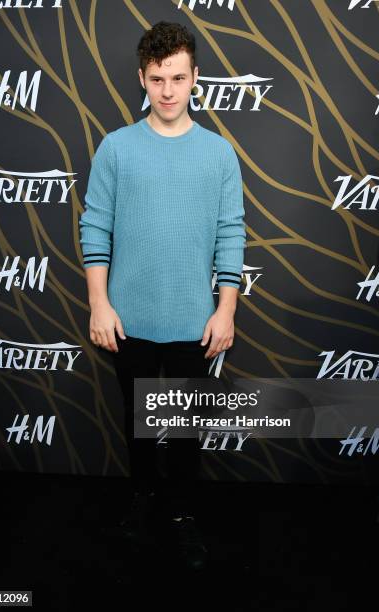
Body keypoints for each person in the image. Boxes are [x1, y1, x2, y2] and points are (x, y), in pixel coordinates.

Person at [79, 21, 246, 570]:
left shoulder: (219, 155)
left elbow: (230, 233)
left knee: (185, 432)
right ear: (142, 80)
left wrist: (225, 310)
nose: (168, 90)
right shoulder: (117, 148)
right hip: (129, 320)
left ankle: (180, 515)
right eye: (157, 79)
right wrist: (99, 303)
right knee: (140, 424)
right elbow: (96, 227)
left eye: (178, 77)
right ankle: (143, 503)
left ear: (196, 78)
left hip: (194, 323)